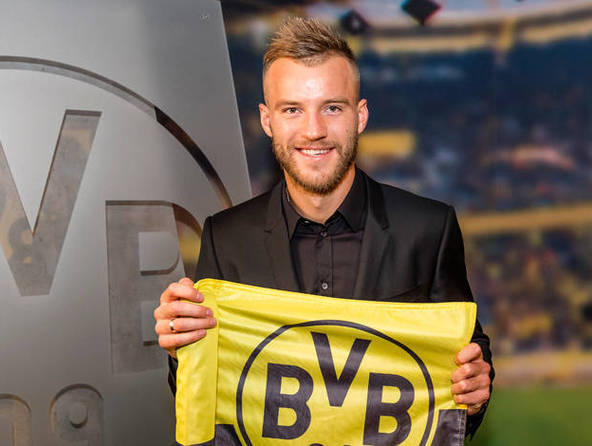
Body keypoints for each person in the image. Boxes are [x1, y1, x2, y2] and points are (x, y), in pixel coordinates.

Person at [154, 17, 493, 437]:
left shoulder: (429, 229)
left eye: (332, 107)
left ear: (360, 115)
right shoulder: (226, 238)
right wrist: (183, 349)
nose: (313, 131)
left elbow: (467, 353)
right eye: (292, 109)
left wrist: (476, 388)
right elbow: (213, 399)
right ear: (267, 120)